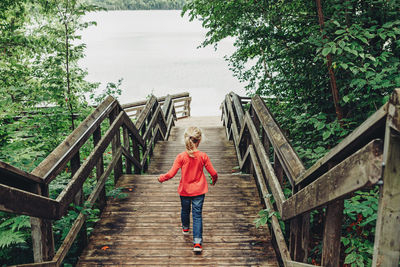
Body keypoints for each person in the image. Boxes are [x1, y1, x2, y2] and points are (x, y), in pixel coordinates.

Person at [158, 126, 218, 253]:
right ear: (199, 140)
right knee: (197, 215)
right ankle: (197, 243)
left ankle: (185, 228)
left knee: (185, 210)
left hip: (184, 191)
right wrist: (214, 179)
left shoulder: (181, 157)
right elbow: (213, 172)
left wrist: (162, 178)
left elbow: (171, 174)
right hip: (199, 191)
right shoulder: (203, 156)